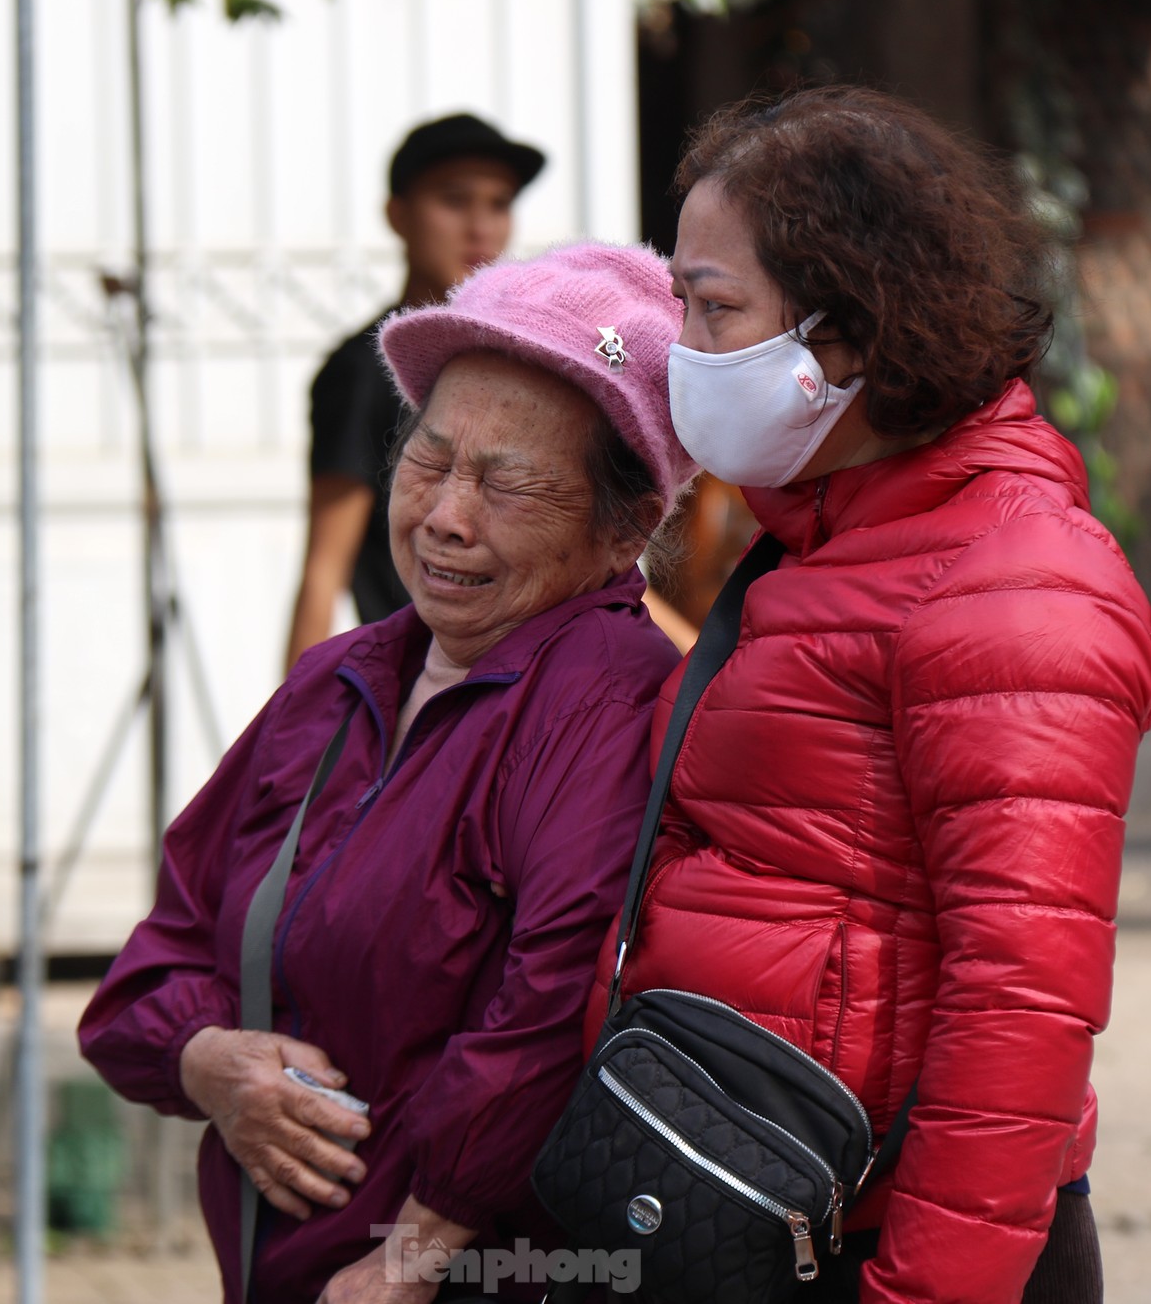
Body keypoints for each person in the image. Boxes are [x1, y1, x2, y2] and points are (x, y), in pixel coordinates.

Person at [589, 86, 1151, 1303]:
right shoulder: (811, 538)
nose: (677, 342)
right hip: (744, 1183)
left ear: (843, 332)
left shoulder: (1014, 581)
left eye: (712, 305)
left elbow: (1022, 1006)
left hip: (894, 1240)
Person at [81, 242, 698, 1304]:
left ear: (625, 529)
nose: (446, 515)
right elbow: (154, 960)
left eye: (507, 485)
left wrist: (411, 1258)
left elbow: (551, 1007)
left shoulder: (608, 695)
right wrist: (207, 1063)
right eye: (429, 458)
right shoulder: (342, 679)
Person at [284, 113, 544, 669]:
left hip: (535, 690)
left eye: (498, 204)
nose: (480, 226)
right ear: (398, 215)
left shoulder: (526, 363)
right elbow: (323, 569)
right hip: (423, 698)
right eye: (454, 200)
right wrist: (291, 741)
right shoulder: (362, 369)